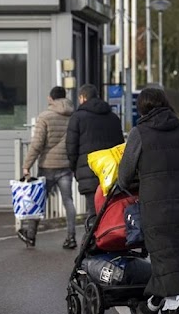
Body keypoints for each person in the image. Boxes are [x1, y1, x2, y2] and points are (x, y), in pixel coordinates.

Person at [117, 87, 179, 314]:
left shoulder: (139, 133)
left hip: (156, 205)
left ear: (141, 108)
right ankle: (151, 307)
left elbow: (124, 176)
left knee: (163, 258)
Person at [65, 83, 124, 249]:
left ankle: (92, 247)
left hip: (89, 171)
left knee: (93, 211)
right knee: (109, 209)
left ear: (83, 98)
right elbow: (120, 146)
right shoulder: (113, 117)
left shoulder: (77, 117)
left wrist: (74, 168)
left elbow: (71, 146)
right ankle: (109, 243)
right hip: (111, 172)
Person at [20, 86, 75, 247]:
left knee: (38, 201)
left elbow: (37, 144)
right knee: (68, 201)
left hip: (47, 166)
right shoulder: (73, 116)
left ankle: (31, 235)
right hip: (66, 166)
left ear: (51, 98)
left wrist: (27, 165)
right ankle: (71, 237)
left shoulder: (45, 117)